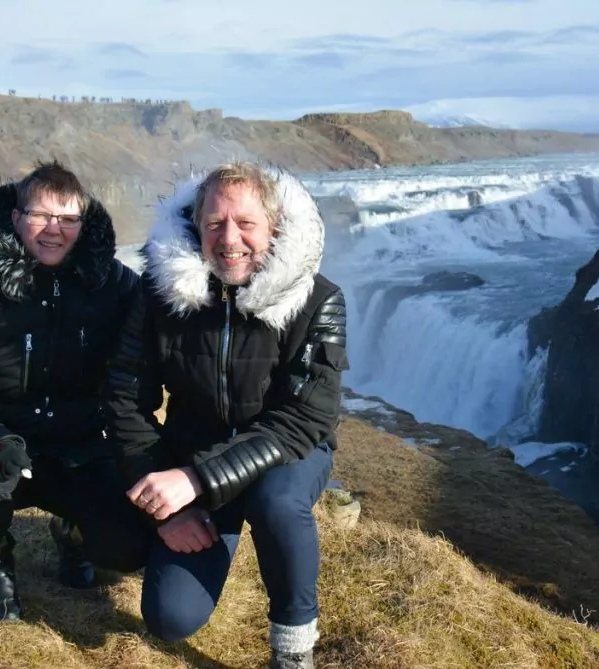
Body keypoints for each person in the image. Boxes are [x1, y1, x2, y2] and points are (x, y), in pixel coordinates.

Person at [102, 162, 347, 669]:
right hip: (192, 449)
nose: (229, 239)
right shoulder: (160, 296)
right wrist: (168, 504)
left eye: (245, 224)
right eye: (214, 223)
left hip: (287, 452)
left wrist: (195, 480)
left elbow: (304, 419)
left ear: (274, 228)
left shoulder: (317, 300)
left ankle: (293, 649)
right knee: (170, 619)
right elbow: (126, 399)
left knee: (276, 500)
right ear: (195, 226)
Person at [0, 160, 149, 622]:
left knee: (132, 545)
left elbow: (166, 336)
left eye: (67, 219)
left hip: (86, 447)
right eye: (41, 216)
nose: (53, 230)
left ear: (82, 226)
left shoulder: (116, 284)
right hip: (3, 444)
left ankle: (73, 535)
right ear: (16, 218)